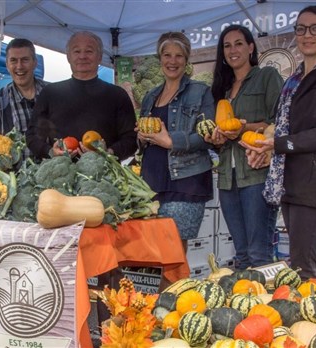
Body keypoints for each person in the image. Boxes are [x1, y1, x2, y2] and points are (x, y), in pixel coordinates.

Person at [241, 5, 316, 282]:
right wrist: (268, 148)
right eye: (301, 29)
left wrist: (278, 145)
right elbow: (285, 127)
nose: (307, 35)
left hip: (315, 183)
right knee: (315, 268)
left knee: (301, 270)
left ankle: (311, 323)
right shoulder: (294, 79)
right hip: (291, 182)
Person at [206, 24, 284, 269]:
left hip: (256, 173)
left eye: (239, 43)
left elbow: (279, 122)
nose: (233, 50)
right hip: (228, 178)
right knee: (241, 254)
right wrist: (216, 140)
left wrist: (244, 128)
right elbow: (221, 133)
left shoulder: (266, 77)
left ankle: (264, 305)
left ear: (251, 47)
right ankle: (244, 303)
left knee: (258, 252)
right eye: (227, 46)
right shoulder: (222, 88)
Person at [136, 32, 215, 253]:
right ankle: (157, 290)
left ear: (187, 59)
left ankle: (173, 289)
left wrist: (171, 141)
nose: (172, 61)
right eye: (167, 55)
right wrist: (142, 138)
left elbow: (208, 136)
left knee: (174, 252)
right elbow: (146, 137)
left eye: (179, 56)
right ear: (160, 58)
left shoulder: (200, 92)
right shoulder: (150, 96)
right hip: (151, 183)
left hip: (185, 182)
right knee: (152, 252)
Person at [26, 31, 137, 161]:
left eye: (89, 51)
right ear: (68, 57)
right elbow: (32, 136)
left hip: (105, 176)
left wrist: (108, 153)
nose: (82, 56)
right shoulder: (50, 93)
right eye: (77, 51)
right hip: (61, 176)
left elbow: (131, 139)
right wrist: (50, 151)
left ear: (100, 57)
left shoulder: (117, 95)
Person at [0, 38, 47, 159]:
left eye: (25, 60)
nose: (19, 66)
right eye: (13, 60)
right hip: (15, 177)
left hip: (52, 174)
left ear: (35, 63)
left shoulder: (52, 93)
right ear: (7, 65)